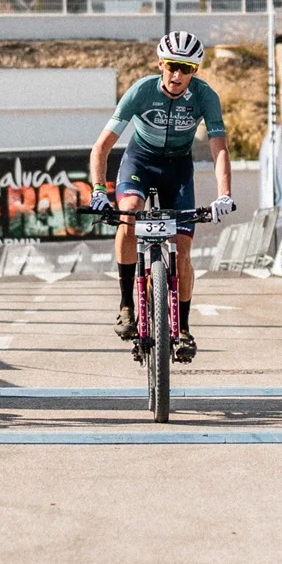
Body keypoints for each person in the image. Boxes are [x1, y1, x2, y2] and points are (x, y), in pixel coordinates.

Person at [88, 31, 235, 363]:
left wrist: (224, 194)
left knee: (182, 250)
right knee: (127, 216)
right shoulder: (141, 91)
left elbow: (219, 150)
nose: (177, 75)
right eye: (171, 66)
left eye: (186, 68)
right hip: (141, 161)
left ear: (195, 70)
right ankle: (127, 303)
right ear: (160, 64)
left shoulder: (205, 96)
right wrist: (99, 190)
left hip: (178, 168)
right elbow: (102, 147)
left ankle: (182, 328)